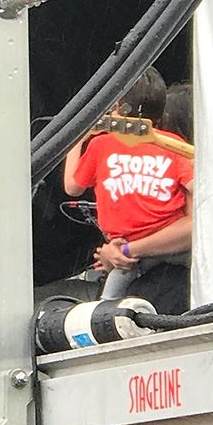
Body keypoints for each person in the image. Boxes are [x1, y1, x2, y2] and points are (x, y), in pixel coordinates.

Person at [64, 67, 194, 300]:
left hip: (130, 251)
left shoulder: (100, 145)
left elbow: (72, 187)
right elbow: (200, 187)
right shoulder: (172, 144)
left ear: (118, 109)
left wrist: (78, 138)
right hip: (162, 249)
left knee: (108, 311)